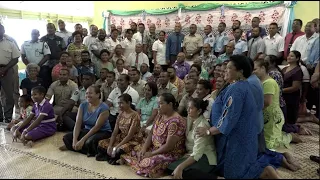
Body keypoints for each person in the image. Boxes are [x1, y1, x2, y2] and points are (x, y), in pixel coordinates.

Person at [196, 55, 280, 179]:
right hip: (243, 136)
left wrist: (208, 131)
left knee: (237, 172)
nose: (225, 70)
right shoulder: (242, 85)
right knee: (241, 169)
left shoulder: (236, 89)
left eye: (229, 68)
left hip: (237, 138)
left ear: (240, 71)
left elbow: (228, 118)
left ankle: (267, 171)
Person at [121, 93, 186, 178]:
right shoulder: (160, 115)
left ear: (170, 104)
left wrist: (151, 154)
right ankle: (142, 165)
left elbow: (169, 146)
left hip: (169, 153)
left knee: (148, 162)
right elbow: (151, 133)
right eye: (158, 103)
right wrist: (144, 149)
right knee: (136, 150)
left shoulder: (176, 121)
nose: (158, 106)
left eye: (161, 103)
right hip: (155, 148)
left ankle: (149, 169)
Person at [253, 59, 302, 150]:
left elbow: (267, 102)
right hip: (263, 114)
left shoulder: (269, 83)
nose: (253, 72)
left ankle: (289, 137)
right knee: (264, 138)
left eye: (255, 69)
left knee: (269, 144)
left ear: (263, 68)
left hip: (272, 116)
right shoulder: (259, 81)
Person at [168, 98, 217, 179]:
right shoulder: (191, 119)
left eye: (191, 108)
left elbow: (197, 154)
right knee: (170, 168)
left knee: (183, 171)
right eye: (188, 107)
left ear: (199, 111)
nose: (187, 110)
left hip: (204, 157)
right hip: (193, 154)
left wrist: (180, 167)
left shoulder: (202, 126)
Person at [60, 85, 112, 157]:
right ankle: (80, 148)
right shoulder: (83, 105)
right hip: (87, 129)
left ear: (98, 95)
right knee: (67, 137)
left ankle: (79, 148)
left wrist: (82, 140)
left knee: (90, 141)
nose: (88, 95)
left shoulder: (104, 108)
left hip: (102, 131)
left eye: (90, 93)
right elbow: (78, 124)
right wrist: (75, 140)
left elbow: (96, 128)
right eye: (86, 93)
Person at [96, 94, 143, 165]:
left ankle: (115, 158)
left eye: (122, 103)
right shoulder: (120, 114)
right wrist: (110, 145)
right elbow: (115, 132)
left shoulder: (135, 116)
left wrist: (116, 147)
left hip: (132, 140)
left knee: (118, 150)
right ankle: (112, 157)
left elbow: (130, 136)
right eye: (118, 103)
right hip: (121, 137)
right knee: (101, 143)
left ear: (129, 103)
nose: (119, 105)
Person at [0, 24, 20, 123]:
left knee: (9, 95)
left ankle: (8, 116)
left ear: (3, 31)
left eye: (0, 29)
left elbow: (16, 58)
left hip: (7, 70)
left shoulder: (10, 43)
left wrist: (5, 69)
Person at [282, 51, 303, 125]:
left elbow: (295, 87)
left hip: (291, 97)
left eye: (292, 56)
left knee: (290, 116)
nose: (289, 57)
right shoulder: (285, 68)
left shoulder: (297, 71)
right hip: (283, 95)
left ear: (297, 58)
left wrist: (281, 90)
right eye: (288, 55)